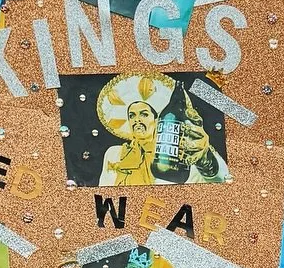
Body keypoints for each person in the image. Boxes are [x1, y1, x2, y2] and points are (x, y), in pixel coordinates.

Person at [95, 75, 228, 187]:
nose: (137, 120)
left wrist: (205, 160)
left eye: (144, 114)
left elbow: (222, 182)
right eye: (132, 116)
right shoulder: (114, 154)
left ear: (157, 120)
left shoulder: (183, 154)